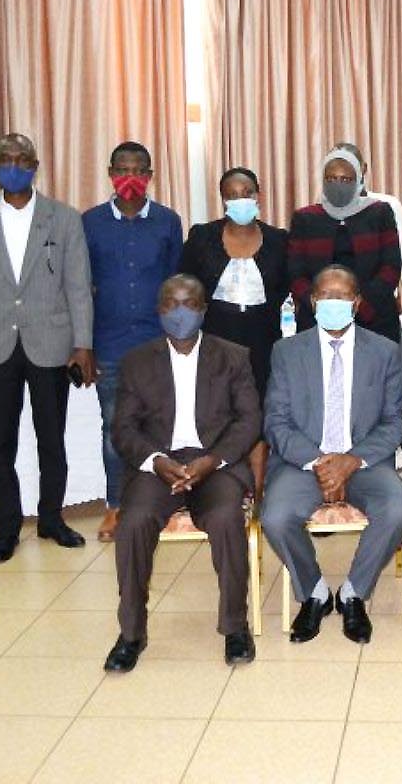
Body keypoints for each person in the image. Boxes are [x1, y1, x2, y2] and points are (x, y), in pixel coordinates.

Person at [104, 274, 260, 672]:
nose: (180, 312)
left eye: (189, 303)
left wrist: (213, 460)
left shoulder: (233, 356)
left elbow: (248, 421)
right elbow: (122, 427)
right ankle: (131, 633)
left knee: (226, 518)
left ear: (204, 310)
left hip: (215, 464)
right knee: (134, 521)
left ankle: (234, 627)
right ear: (158, 311)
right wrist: (155, 460)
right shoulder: (137, 362)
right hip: (160, 466)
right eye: (170, 304)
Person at [0, 133, 94, 563]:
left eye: (21, 159)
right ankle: (6, 529)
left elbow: (78, 288)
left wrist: (83, 345)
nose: (13, 165)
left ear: (35, 166)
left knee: (51, 439)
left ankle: (52, 518)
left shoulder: (63, 218)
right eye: (5, 159)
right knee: (1, 443)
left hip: (51, 344)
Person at [260, 265, 402, 645]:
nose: (334, 303)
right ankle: (313, 591)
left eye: (343, 296)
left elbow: (397, 420)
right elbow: (276, 421)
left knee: (396, 509)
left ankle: (353, 593)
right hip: (303, 462)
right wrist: (319, 463)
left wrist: (351, 461)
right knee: (276, 517)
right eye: (326, 296)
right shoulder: (286, 351)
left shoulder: (386, 352)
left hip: (364, 461)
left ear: (357, 303)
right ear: (312, 303)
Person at [82, 141, 183, 542]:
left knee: (162, 428)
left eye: (139, 170)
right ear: (110, 173)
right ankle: (116, 506)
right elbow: (79, 286)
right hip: (107, 344)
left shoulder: (168, 221)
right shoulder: (88, 222)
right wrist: (82, 346)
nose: (131, 177)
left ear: (150, 177)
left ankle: (162, 505)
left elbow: (177, 284)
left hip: (157, 345)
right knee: (114, 429)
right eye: (123, 169)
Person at [179, 167, 288, 493]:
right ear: (222, 199)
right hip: (216, 336)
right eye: (232, 194)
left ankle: (259, 485)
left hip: (263, 336)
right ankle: (222, 483)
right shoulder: (202, 237)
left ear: (258, 196)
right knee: (222, 407)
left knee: (260, 406)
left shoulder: (280, 240)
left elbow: (288, 289)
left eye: (247, 193)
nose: (241, 200)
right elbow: (186, 286)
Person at [288, 148, 402, 342]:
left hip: (374, 317)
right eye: (331, 179)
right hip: (317, 319)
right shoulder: (305, 218)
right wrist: (322, 308)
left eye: (346, 179)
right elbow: (295, 273)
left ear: (359, 179)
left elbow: (391, 267)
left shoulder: (379, 212)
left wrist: (360, 307)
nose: (337, 185)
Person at [331, 142, 402, 273]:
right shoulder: (321, 209)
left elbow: (397, 262)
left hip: (377, 289)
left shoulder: (387, 204)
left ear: (363, 169)